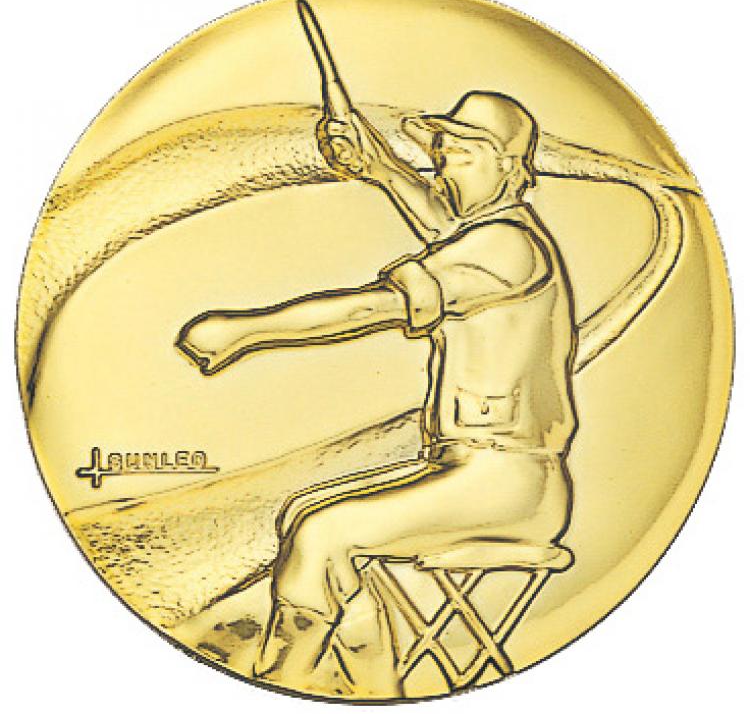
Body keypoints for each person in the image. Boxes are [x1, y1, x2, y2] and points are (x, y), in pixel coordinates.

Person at [176, 91, 577, 697]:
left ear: (509, 165)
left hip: (510, 484)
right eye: (441, 152)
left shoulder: (508, 248)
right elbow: (444, 225)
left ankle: (284, 676)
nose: (441, 167)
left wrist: (246, 329)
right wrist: (379, 166)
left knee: (322, 534)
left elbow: (371, 308)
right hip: (473, 471)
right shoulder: (494, 236)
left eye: (461, 154)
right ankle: (367, 674)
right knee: (302, 516)